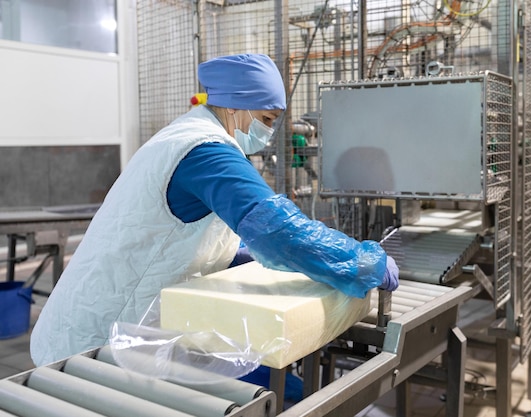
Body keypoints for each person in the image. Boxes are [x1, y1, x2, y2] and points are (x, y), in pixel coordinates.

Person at [30, 53, 399, 367]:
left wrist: (233, 253)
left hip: (103, 326)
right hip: (92, 342)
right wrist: (364, 263)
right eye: (267, 119)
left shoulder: (188, 135)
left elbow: (181, 227)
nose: (269, 132)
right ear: (236, 105)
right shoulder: (205, 150)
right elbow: (281, 231)